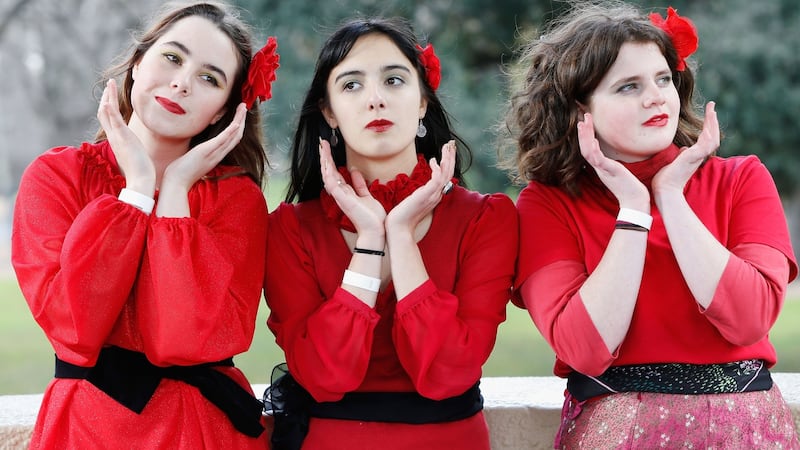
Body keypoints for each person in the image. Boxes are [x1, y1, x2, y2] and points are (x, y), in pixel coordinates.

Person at [503, 1, 800, 448]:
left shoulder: (742, 179)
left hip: (748, 431)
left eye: (663, 79)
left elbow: (748, 320)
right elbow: (585, 349)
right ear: (580, 107)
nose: (656, 96)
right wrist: (634, 212)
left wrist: (671, 197)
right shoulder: (547, 205)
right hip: (618, 434)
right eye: (627, 87)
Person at [11, 2, 279, 448]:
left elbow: (182, 340)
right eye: (173, 57)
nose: (181, 82)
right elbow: (75, 329)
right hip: (85, 428)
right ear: (138, 63)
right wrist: (136, 191)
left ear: (220, 113)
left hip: (199, 429)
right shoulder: (58, 177)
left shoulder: (235, 200)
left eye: (209, 78)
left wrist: (173, 194)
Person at [262, 16, 518, 450]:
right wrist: (369, 241)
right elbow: (325, 375)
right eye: (351, 85)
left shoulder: (485, 220)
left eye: (394, 80)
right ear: (329, 112)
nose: (376, 99)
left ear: (421, 101)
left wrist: (399, 233)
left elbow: (447, 372)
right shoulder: (290, 229)